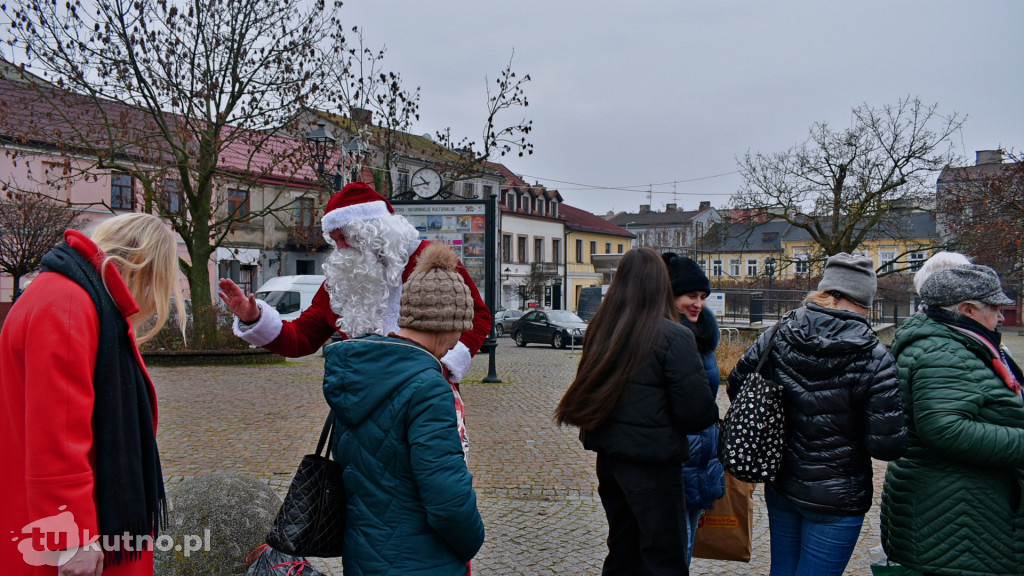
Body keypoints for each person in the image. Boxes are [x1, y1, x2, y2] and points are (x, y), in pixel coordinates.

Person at [218, 181, 491, 451]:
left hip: (425, 399)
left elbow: (478, 316)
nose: (339, 250)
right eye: (334, 241)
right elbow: (301, 338)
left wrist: (446, 365)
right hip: (364, 409)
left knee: (433, 474)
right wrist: (255, 318)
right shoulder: (343, 280)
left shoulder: (429, 261)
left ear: (371, 232)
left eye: (343, 238)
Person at [1, 213, 186, 576]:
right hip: (74, 529)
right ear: (144, 268)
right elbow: (58, 435)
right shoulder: (71, 301)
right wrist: (71, 537)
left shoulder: (66, 290)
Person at [727, 252, 907, 576]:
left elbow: (737, 387)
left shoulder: (778, 331)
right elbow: (887, 446)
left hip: (782, 481)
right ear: (864, 299)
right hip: (837, 497)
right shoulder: (875, 356)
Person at [322, 243, 484, 575]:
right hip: (421, 559)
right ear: (446, 323)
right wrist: (472, 541)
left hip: (364, 555)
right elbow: (448, 501)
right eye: (459, 330)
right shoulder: (428, 388)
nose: (458, 342)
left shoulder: (358, 373)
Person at [555, 247, 718, 576]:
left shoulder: (602, 331)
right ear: (661, 285)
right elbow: (697, 414)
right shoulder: (673, 336)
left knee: (623, 550)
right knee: (663, 558)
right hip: (654, 465)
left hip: (611, 462)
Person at [881, 264, 1024, 576]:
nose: (1001, 317)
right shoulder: (941, 352)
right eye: (995, 308)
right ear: (967, 309)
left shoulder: (959, 343)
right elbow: (946, 429)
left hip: (963, 506)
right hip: (956, 513)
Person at [661, 252, 725, 566]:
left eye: (702, 296)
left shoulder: (702, 336)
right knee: (674, 548)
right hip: (676, 455)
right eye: (690, 296)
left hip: (701, 455)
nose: (698, 303)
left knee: (685, 546)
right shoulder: (664, 338)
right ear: (669, 296)